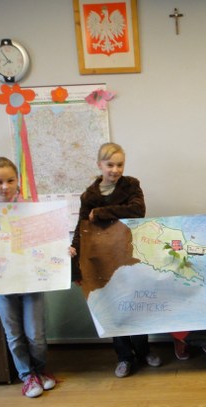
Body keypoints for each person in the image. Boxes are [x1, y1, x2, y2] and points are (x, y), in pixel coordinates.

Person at [70, 142, 161, 378]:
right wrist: (75, 266)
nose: (115, 170)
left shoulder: (131, 185)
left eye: (120, 165)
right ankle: (124, 357)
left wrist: (101, 213)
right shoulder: (89, 196)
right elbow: (82, 229)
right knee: (115, 307)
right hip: (103, 259)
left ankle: (143, 351)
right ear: (99, 165)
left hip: (130, 254)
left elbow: (137, 210)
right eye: (110, 165)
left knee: (135, 304)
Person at [0, 157, 56, 398]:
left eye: (10, 180)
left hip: (30, 281)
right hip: (2, 284)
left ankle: (40, 371)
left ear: (18, 180)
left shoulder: (31, 208)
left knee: (36, 334)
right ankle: (27, 376)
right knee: (14, 335)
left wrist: (61, 248)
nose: (5, 186)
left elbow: (47, 239)